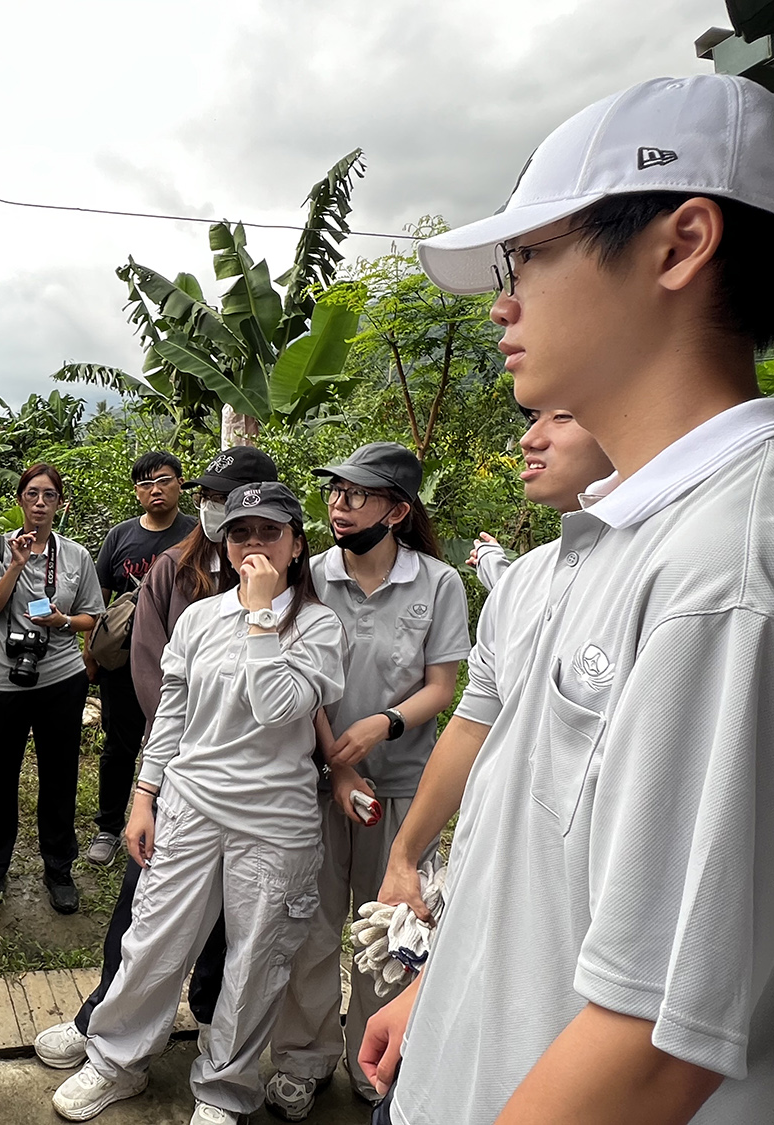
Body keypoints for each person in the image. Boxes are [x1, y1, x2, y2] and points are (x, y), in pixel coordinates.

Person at [359, 75, 774, 1125]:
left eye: (530, 256)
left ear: (680, 245)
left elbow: (656, 1041)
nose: (505, 299)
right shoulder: (613, 544)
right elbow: (542, 866)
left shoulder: (731, 565)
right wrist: (443, 989)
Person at [50, 482, 346, 1125]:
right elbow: (174, 715)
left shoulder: (319, 625)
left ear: (297, 545)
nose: (254, 544)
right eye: (241, 533)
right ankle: (116, 1060)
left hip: (274, 823)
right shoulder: (200, 618)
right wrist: (144, 794)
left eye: (270, 532)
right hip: (191, 805)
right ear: (224, 542)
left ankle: (224, 1090)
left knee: (254, 962)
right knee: (153, 939)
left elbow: (280, 709)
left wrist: (264, 616)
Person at [266, 442, 471, 1120]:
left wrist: (384, 723)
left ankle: (372, 1055)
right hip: (319, 781)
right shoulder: (313, 576)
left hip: (407, 787)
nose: (339, 504)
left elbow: (442, 685)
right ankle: (301, 1057)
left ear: (399, 509)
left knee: (387, 931)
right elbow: (301, 676)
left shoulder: (438, 583)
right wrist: (338, 762)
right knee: (313, 922)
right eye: (335, 491)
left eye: (358, 493)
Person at [379, 405, 613, 918]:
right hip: (488, 869)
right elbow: (471, 725)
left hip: (587, 901)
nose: (530, 440)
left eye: (564, 416)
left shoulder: (671, 570)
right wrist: (405, 853)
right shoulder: (523, 581)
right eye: (532, 419)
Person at [0, 464, 105, 914]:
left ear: (60, 504)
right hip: (1, 680)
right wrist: (16, 564)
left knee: (60, 776)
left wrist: (62, 621)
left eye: (49, 495)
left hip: (60, 679)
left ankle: (59, 870)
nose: (41, 503)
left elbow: (92, 617)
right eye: (32, 494)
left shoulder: (77, 557)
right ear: (20, 500)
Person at [84, 450, 196, 865]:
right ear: (136, 492)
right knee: (119, 744)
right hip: (124, 661)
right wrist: (90, 655)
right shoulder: (120, 536)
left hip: (183, 662)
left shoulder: (197, 535)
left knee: (178, 744)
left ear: (179, 484)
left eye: (163, 480)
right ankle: (109, 827)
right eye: (146, 484)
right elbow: (101, 601)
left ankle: (168, 822)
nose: (155, 490)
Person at [466, 405, 613, 591]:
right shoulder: (540, 566)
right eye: (533, 420)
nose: (526, 440)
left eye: (561, 417)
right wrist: (488, 559)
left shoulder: (652, 556)